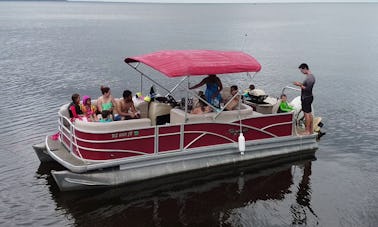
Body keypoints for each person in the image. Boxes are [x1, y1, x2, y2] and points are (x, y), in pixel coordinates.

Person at [293, 63, 316, 135]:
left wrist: (299, 85)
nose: (301, 72)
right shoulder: (310, 76)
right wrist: (300, 84)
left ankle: (307, 131)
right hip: (309, 97)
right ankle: (311, 130)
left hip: (306, 97)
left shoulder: (310, 78)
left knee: (307, 115)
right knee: (309, 114)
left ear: (305, 68)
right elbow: (306, 86)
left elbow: (307, 89)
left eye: (301, 70)